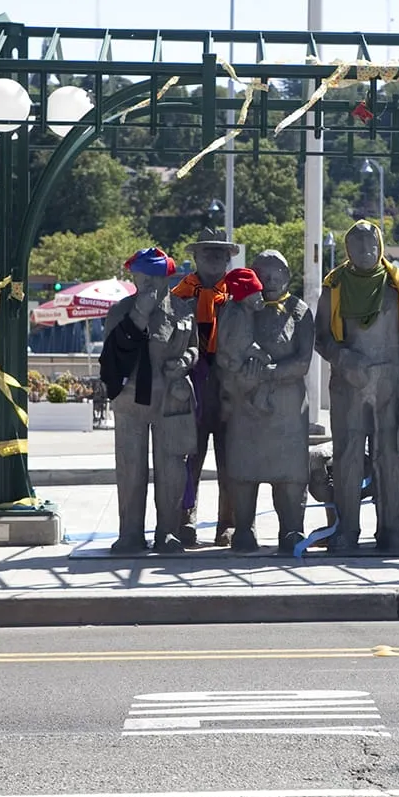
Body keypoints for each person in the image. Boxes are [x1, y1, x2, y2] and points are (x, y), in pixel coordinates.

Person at [315, 220, 399, 553]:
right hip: (348, 385)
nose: (366, 251)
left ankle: (389, 530)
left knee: (388, 458)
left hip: (389, 383)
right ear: (347, 250)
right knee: (347, 458)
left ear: (381, 246)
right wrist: (346, 361)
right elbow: (321, 338)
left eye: (372, 245)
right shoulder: (334, 288)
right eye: (358, 246)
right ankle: (347, 530)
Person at [100, 247, 199, 554]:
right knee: (131, 467)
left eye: (153, 280)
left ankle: (167, 531)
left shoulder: (183, 310)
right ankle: (130, 531)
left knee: (171, 467)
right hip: (131, 400)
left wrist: (185, 361)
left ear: (166, 279)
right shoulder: (121, 310)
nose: (147, 286)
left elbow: (195, 348)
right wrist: (139, 314)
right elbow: (112, 354)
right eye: (141, 279)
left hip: (171, 398)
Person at [216, 255, 314, 553]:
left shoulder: (299, 311)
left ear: (287, 274)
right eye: (263, 274)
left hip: (287, 408)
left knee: (291, 474)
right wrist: (240, 375)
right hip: (246, 405)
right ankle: (243, 529)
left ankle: (292, 530)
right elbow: (224, 353)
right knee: (244, 469)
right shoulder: (237, 309)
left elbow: (303, 361)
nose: (270, 280)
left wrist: (272, 373)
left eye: (277, 273)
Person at [171, 227, 240, 546]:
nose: (213, 258)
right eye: (206, 252)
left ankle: (228, 523)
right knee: (189, 457)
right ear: (194, 257)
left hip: (229, 388)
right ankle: (185, 518)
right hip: (193, 385)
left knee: (230, 461)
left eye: (219, 253)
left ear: (229, 258)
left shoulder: (240, 297)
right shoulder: (180, 297)